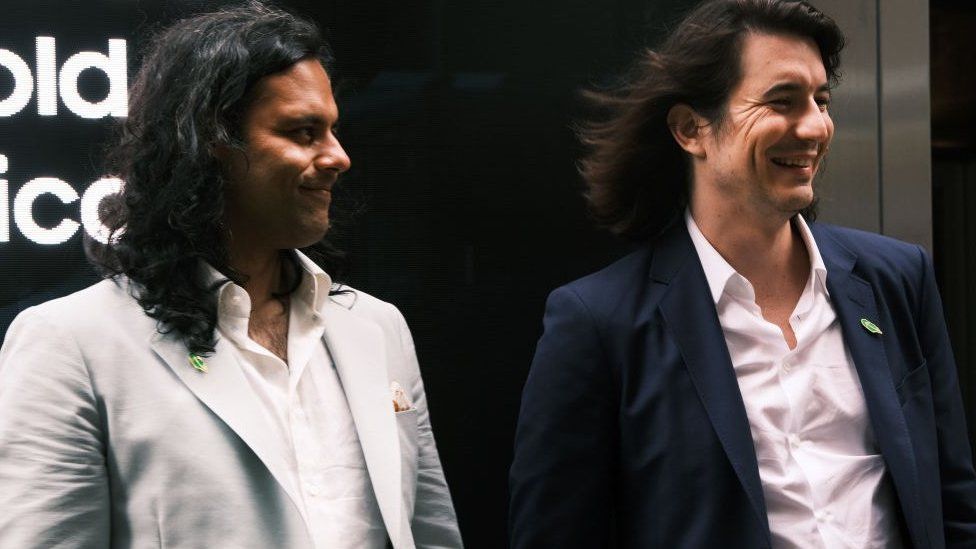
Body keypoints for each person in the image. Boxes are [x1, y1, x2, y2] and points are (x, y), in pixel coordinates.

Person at [509, 0, 976, 547]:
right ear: (690, 129)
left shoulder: (896, 279)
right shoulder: (599, 323)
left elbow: (952, 501)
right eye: (781, 101)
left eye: (821, 100)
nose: (814, 127)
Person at [0, 3, 462, 548]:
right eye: (303, 131)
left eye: (332, 130)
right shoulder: (70, 343)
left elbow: (431, 535)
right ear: (207, 143)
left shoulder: (378, 329)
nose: (338, 157)